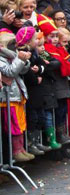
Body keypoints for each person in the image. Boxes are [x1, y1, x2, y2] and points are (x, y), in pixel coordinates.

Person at [0, 29, 33, 162]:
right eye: (12, 44)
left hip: (17, 95)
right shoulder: (2, 58)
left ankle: (21, 149)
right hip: (8, 98)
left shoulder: (12, 56)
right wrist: (19, 59)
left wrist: (25, 60)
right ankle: (16, 151)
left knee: (21, 124)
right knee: (14, 125)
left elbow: (23, 70)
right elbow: (10, 72)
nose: (15, 46)